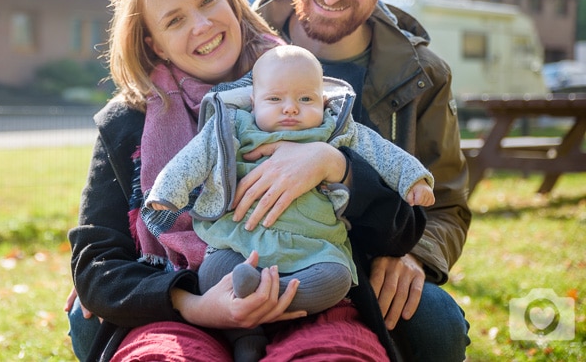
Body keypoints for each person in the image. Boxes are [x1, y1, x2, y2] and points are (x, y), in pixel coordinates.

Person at [68, 0, 426, 362]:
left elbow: (401, 229)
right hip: (176, 317)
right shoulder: (126, 123)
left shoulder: (313, 90)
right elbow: (96, 262)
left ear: (230, 0)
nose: (202, 24)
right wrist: (194, 304)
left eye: (207, 1)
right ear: (156, 45)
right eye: (176, 19)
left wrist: (335, 166)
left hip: (315, 300)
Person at [252, 0, 472, 361]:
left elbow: (448, 204)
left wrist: (416, 255)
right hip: (241, 256)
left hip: (366, 265)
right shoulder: (238, 47)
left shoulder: (424, 75)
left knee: (437, 322)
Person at [145, 44, 435, 361]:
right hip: (242, 242)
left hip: (312, 248)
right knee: (213, 270)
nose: (290, 109)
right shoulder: (234, 127)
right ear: (253, 102)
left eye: (305, 99)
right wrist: (167, 192)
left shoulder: (334, 130)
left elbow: (381, 151)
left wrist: (413, 179)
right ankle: (246, 336)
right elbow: (194, 157)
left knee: (337, 279)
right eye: (275, 99)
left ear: (323, 100)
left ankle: (271, 297)